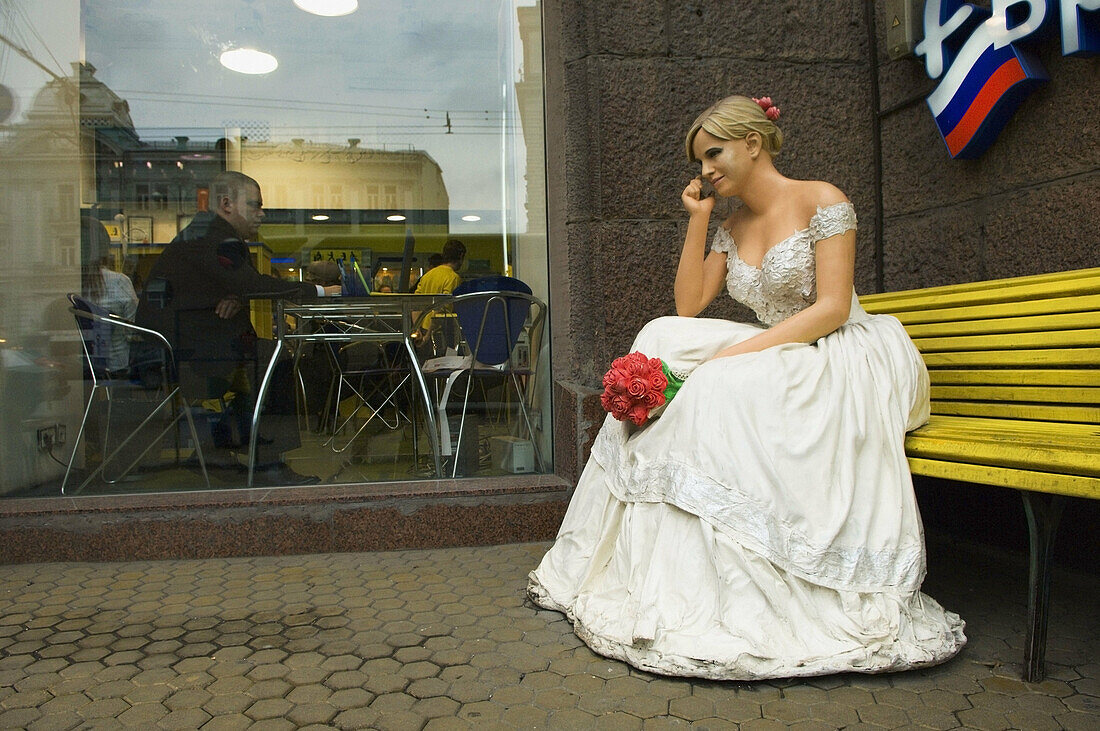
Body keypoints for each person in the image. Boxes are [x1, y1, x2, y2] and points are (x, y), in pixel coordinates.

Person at [528, 95, 966, 680]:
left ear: (753, 144)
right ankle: (659, 563)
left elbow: (833, 307)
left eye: (713, 154)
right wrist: (699, 219)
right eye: (699, 160)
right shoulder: (730, 225)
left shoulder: (822, 199)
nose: (705, 169)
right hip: (776, 343)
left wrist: (732, 358)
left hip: (838, 345)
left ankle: (746, 559)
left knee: (721, 383)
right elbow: (687, 307)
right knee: (659, 335)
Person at [136, 171, 341, 485]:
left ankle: (215, 448)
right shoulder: (218, 237)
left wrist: (236, 295)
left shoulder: (205, 233)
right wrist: (322, 292)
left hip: (171, 345)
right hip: (180, 354)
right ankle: (267, 465)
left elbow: (234, 285)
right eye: (255, 205)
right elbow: (251, 283)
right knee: (275, 359)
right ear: (226, 203)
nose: (262, 214)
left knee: (263, 357)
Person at [80, 216, 138, 374]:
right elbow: (134, 332)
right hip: (116, 370)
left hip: (78, 370)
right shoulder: (119, 282)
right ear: (105, 248)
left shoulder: (63, 287)